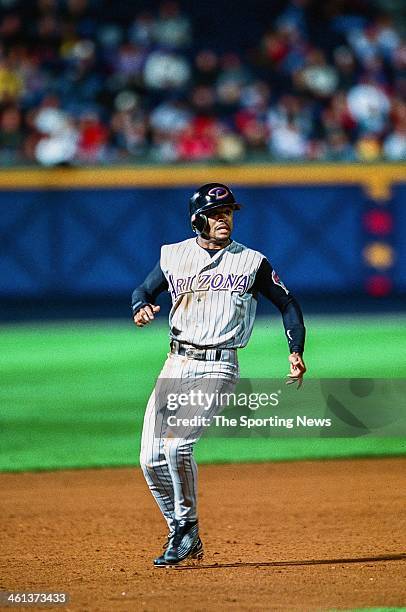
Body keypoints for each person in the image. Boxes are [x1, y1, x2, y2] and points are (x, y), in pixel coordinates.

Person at [131, 183, 306, 567]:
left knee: (177, 446)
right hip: (175, 362)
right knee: (149, 459)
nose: (224, 218)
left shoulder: (252, 262)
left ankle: (186, 526)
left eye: (228, 211)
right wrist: (141, 305)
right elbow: (143, 290)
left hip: (219, 364)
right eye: (215, 212)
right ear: (197, 219)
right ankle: (183, 530)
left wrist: (296, 351)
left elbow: (287, 303)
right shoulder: (173, 255)